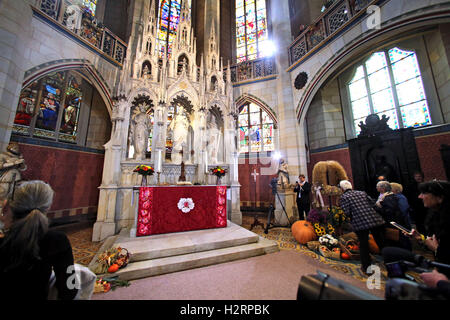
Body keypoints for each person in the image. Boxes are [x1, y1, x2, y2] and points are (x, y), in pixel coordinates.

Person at [0, 181, 80, 300]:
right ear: (47, 207)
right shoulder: (57, 240)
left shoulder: (3, 241)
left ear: (10, 206)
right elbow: (69, 290)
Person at [382, 180, 450, 277]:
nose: (420, 196)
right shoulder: (436, 217)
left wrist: (437, 250)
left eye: (424, 193)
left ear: (440, 197)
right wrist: (420, 238)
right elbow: (434, 242)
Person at [338, 180, 385, 275]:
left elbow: (347, 212)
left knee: (364, 245)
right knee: (381, 242)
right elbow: (373, 204)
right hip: (375, 219)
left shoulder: (344, 197)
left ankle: (366, 267)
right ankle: (390, 262)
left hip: (361, 223)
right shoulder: (362, 193)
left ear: (342, 189)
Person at [375, 181, 412, 250]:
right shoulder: (386, 197)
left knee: (402, 239)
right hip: (396, 222)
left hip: (399, 222)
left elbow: (401, 210)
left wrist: (379, 209)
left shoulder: (395, 197)